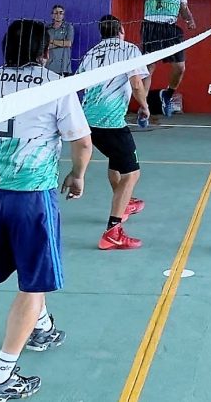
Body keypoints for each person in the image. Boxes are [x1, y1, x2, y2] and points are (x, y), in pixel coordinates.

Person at [0, 19, 92, 402]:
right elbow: (82, 143)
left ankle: (41, 328)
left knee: (30, 269)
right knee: (34, 284)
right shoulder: (55, 84)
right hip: (31, 196)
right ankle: (2, 378)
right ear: (46, 51)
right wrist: (78, 175)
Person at [77, 15, 149, 250]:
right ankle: (113, 232)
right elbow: (136, 83)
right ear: (121, 30)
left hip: (87, 121)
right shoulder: (129, 49)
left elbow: (80, 85)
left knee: (116, 162)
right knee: (132, 174)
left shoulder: (91, 53)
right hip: (111, 122)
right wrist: (145, 106)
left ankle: (124, 203)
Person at [138, 0, 196, 117]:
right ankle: (144, 107)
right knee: (149, 67)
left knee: (180, 67)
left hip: (171, 28)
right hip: (152, 26)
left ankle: (168, 94)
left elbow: (183, 8)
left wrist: (189, 19)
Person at [46, 4, 74, 76]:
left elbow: (68, 43)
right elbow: (46, 46)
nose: (58, 15)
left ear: (63, 15)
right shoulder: (47, 28)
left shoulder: (68, 27)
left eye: (61, 13)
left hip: (64, 67)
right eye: (56, 13)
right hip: (49, 66)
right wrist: (62, 43)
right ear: (52, 15)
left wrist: (51, 41)